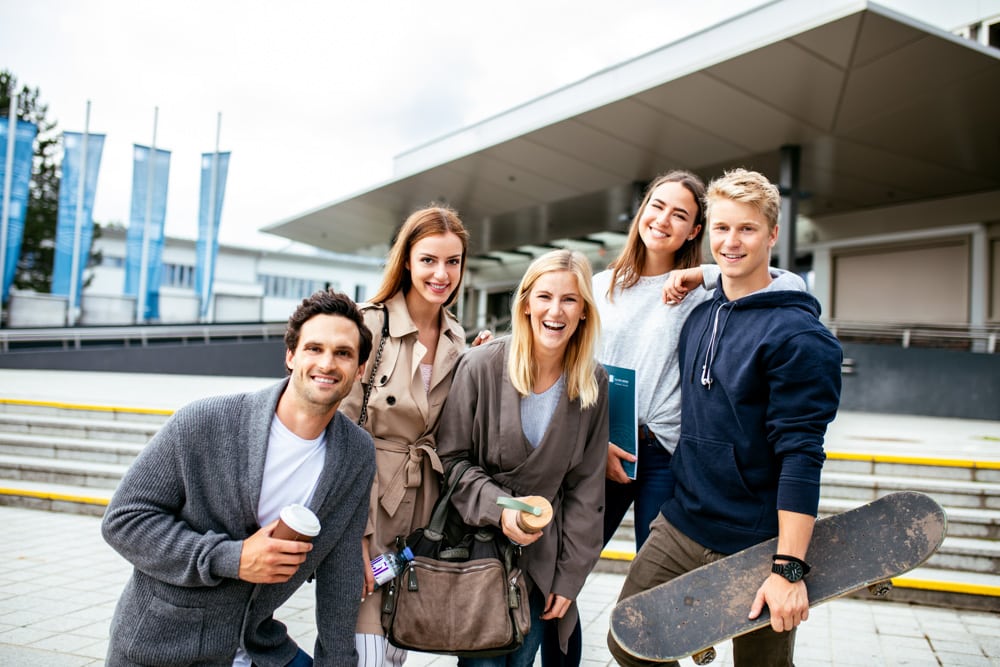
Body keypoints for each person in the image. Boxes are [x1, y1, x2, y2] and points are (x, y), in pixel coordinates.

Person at [543, 171, 803, 667]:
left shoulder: (707, 290)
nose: (662, 220)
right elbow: (564, 365)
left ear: (694, 232)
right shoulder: (597, 287)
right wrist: (589, 444)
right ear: (641, 211)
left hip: (666, 455)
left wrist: (702, 274)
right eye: (656, 206)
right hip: (602, 449)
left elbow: (782, 286)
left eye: (680, 215)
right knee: (561, 577)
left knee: (657, 602)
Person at [607, 168, 843, 667]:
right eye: (721, 228)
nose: (731, 242)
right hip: (682, 521)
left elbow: (802, 456)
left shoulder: (800, 338)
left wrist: (789, 569)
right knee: (630, 642)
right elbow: (725, 275)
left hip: (757, 542)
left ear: (773, 234)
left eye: (747, 229)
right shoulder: (699, 315)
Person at [102, 289, 377, 667]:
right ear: (291, 355)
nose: (327, 363)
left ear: (359, 369)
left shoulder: (356, 453)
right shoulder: (204, 421)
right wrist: (232, 558)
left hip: (258, 645)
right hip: (163, 644)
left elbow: (342, 571)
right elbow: (123, 521)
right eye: (314, 348)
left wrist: (338, 662)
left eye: (343, 353)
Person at [435, 249, 610, 667]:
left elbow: (586, 489)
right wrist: (501, 510)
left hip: (542, 561)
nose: (556, 310)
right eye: (545, 296)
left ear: (584, 311)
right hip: (480, 552)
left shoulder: (593, 382)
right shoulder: (479, 365)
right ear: (526, 302)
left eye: (570, 299)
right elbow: (451, 460)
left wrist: (570, 578)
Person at [336, 205, 489, 667]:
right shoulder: (369, 324)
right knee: (364, 646)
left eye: (453, 262)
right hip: (368, 498)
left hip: (424, 508)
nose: (441, 274)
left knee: (398, 640)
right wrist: (359, 537)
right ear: (406, 260)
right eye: (428, 260)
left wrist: (478, 366)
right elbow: (341, 432)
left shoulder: (458, 339)